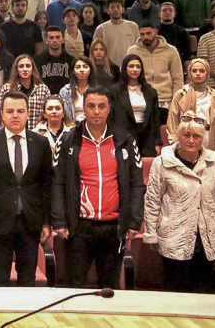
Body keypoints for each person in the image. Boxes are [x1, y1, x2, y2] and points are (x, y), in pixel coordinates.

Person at [51, 87, 145, 289]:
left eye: (101, 106)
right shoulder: (67, 141)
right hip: (79, 228)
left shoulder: (125, 140)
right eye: (91, 106)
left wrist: (134, 221)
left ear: (109, 108)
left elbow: (137, 184)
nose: (96, 111)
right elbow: (57, 182)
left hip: (113, 228)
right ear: (83, 108)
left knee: (110, 287)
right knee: (74, 286)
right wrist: (59, 220)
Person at [143, 118, 215, 294]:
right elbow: (152, 201)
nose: (191, 140)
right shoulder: (162, 162)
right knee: (175, 293)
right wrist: (151, 233)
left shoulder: (213, 161)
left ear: (203, 139)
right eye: (186, 135)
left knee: (206, 294)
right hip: (175, 236)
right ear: (178, 137)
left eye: (197, 136)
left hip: (207, 236)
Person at [0, 91, 53, 287]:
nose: (15, 115)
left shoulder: (41, 143)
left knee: (28, 279)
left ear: (28, 114)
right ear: (2, 114)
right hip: (0, 221)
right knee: (0, 278)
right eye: (10, 111)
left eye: (20, 111)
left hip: (30, 221)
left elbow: (46, 185)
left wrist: (46, 222)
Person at [167, 58, 215, 159]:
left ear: (208, 73)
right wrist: (175, 142)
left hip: (210, 137)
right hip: (188, 138)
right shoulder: (180, 95)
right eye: (194, 71)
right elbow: (172, 121)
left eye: (202, 71)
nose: (198, 74)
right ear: (189, 73)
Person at [109, 53, 162, 156]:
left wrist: (157, 143)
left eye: (138, 67)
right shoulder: (114, 91)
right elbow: (111, 118)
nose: (135, 69)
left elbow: (155, 120)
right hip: (123, 138)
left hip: (146, 138)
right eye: (131, 66)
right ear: (125, 68)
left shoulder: (151, 92)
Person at [127, 21, 183, 108]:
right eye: (142, 34)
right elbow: (128, 76)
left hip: (166, 99)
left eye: (148, 33)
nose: (145, 37)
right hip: (141, 98)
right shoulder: (132, 51)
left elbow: (177, 78)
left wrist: (176, 100)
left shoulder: (171, 50)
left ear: (156, 32)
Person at [0, 54, 51, 132]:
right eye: (21, 66)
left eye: (28, 66)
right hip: (13, 131)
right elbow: (0, 112)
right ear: (16, 69)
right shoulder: (7, 88)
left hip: (37, 132)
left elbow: (47, 113)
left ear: (32, 69)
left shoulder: (43, 89)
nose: (24, 69)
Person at [34, 26, 76, 95]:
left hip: (66, 96)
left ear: (63, 40)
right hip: (44, 96)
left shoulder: (71, 60)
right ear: (46, 41)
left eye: (57, 37)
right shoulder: (37, 60)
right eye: (51, 38)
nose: (54, 40)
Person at [59, 56, 94, 122]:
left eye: (85, 67)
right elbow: (63, 114)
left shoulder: (97, 90)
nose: (82, 70)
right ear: (73, 71)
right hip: (71, 125)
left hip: (92, 124)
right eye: (78, 67)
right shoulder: (65, 91)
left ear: (90, 70)